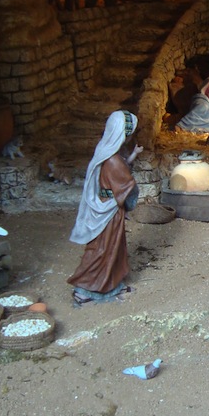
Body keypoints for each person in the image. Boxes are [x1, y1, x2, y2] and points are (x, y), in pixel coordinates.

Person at [68, 110, 143, 305]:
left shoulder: (105, 151)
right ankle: (85, 289)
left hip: (106, 206)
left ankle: (112, 284)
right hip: (109, 211)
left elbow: (120, 173)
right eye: (128, 134)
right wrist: (131, 196)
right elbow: (127, 185)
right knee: (103, 249)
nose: (129, 138)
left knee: (113, 248)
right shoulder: (113, 160)